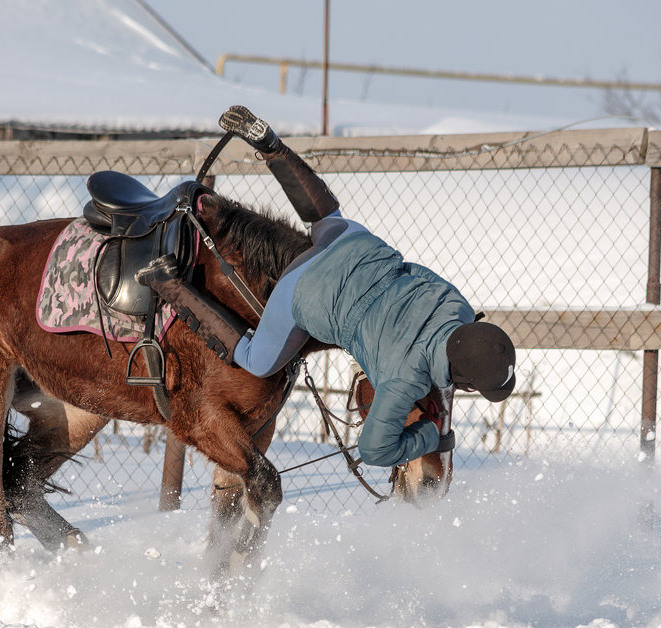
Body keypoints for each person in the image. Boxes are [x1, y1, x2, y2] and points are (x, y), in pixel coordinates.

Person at [138, 105, 515, 468]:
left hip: (355, 244)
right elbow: (375, 450)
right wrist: (433, 437)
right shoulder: (405, 378)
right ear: (463, 383)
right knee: (257, 361)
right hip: (306, 289)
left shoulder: (458, 306)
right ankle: (168, 283)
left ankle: (271, 146)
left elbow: (416, 271)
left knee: (326, 215)